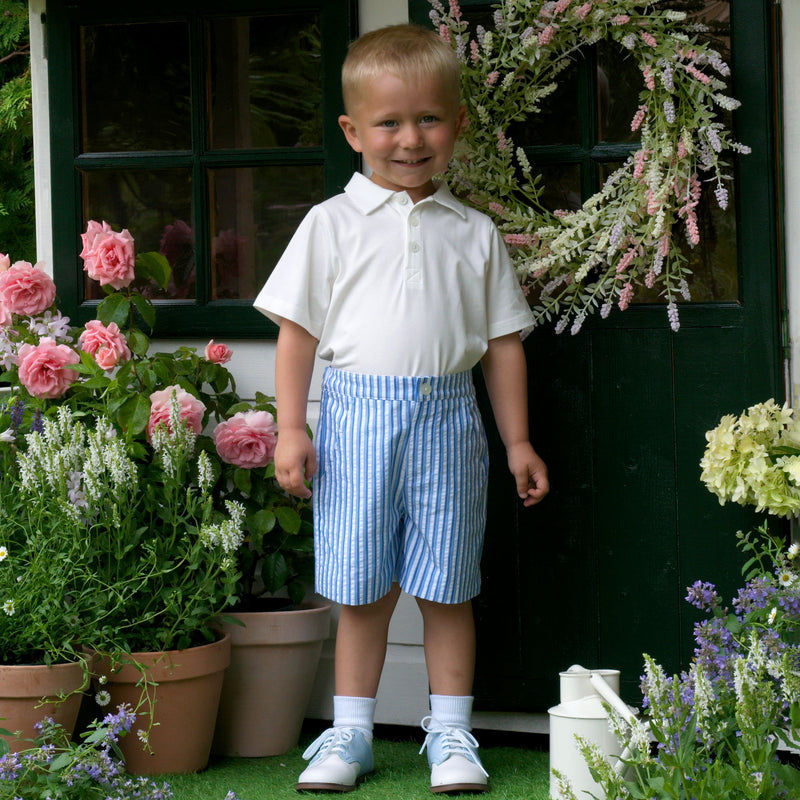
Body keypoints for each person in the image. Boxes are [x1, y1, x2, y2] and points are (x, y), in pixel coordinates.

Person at [253, 23, 549, 794]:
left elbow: (503, 344)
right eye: (387, 122)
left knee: (448, 584)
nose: (409, 139)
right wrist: (292, 427)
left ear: (458, 123)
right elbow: (297, 332)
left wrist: (516, 441)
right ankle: (350, 734)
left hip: (450, 420)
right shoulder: (331, 225)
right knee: (362, 585)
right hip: (356, 421)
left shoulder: (475, 234)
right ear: (353, 131)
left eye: (428, 119)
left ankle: (450, 733)